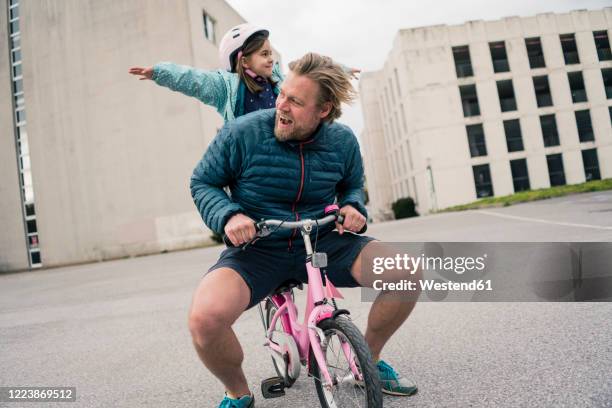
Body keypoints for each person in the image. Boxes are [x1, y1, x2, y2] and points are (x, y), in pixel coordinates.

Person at [189, 53, 420, 407]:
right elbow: (203, 182)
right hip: (259, 247)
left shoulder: (342, 141)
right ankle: (237, 393)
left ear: (323, 110)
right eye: (283, 94)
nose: (282, 105)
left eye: (296, 102)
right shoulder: (241, 132)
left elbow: (352, 187)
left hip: (323, 239)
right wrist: (229, 216)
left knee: (406, 272)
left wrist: (353, 207)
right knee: (205, 319)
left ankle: (366, 362)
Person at [128, 23, 359, 123]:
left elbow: (311, 71)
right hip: (250, 157)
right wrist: (159, 72)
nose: (271, 59)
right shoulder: (225, 88)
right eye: (264, 54)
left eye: (271, 53)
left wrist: (342, 70)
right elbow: (193, 79)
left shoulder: (278, 80)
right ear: (244, 59)